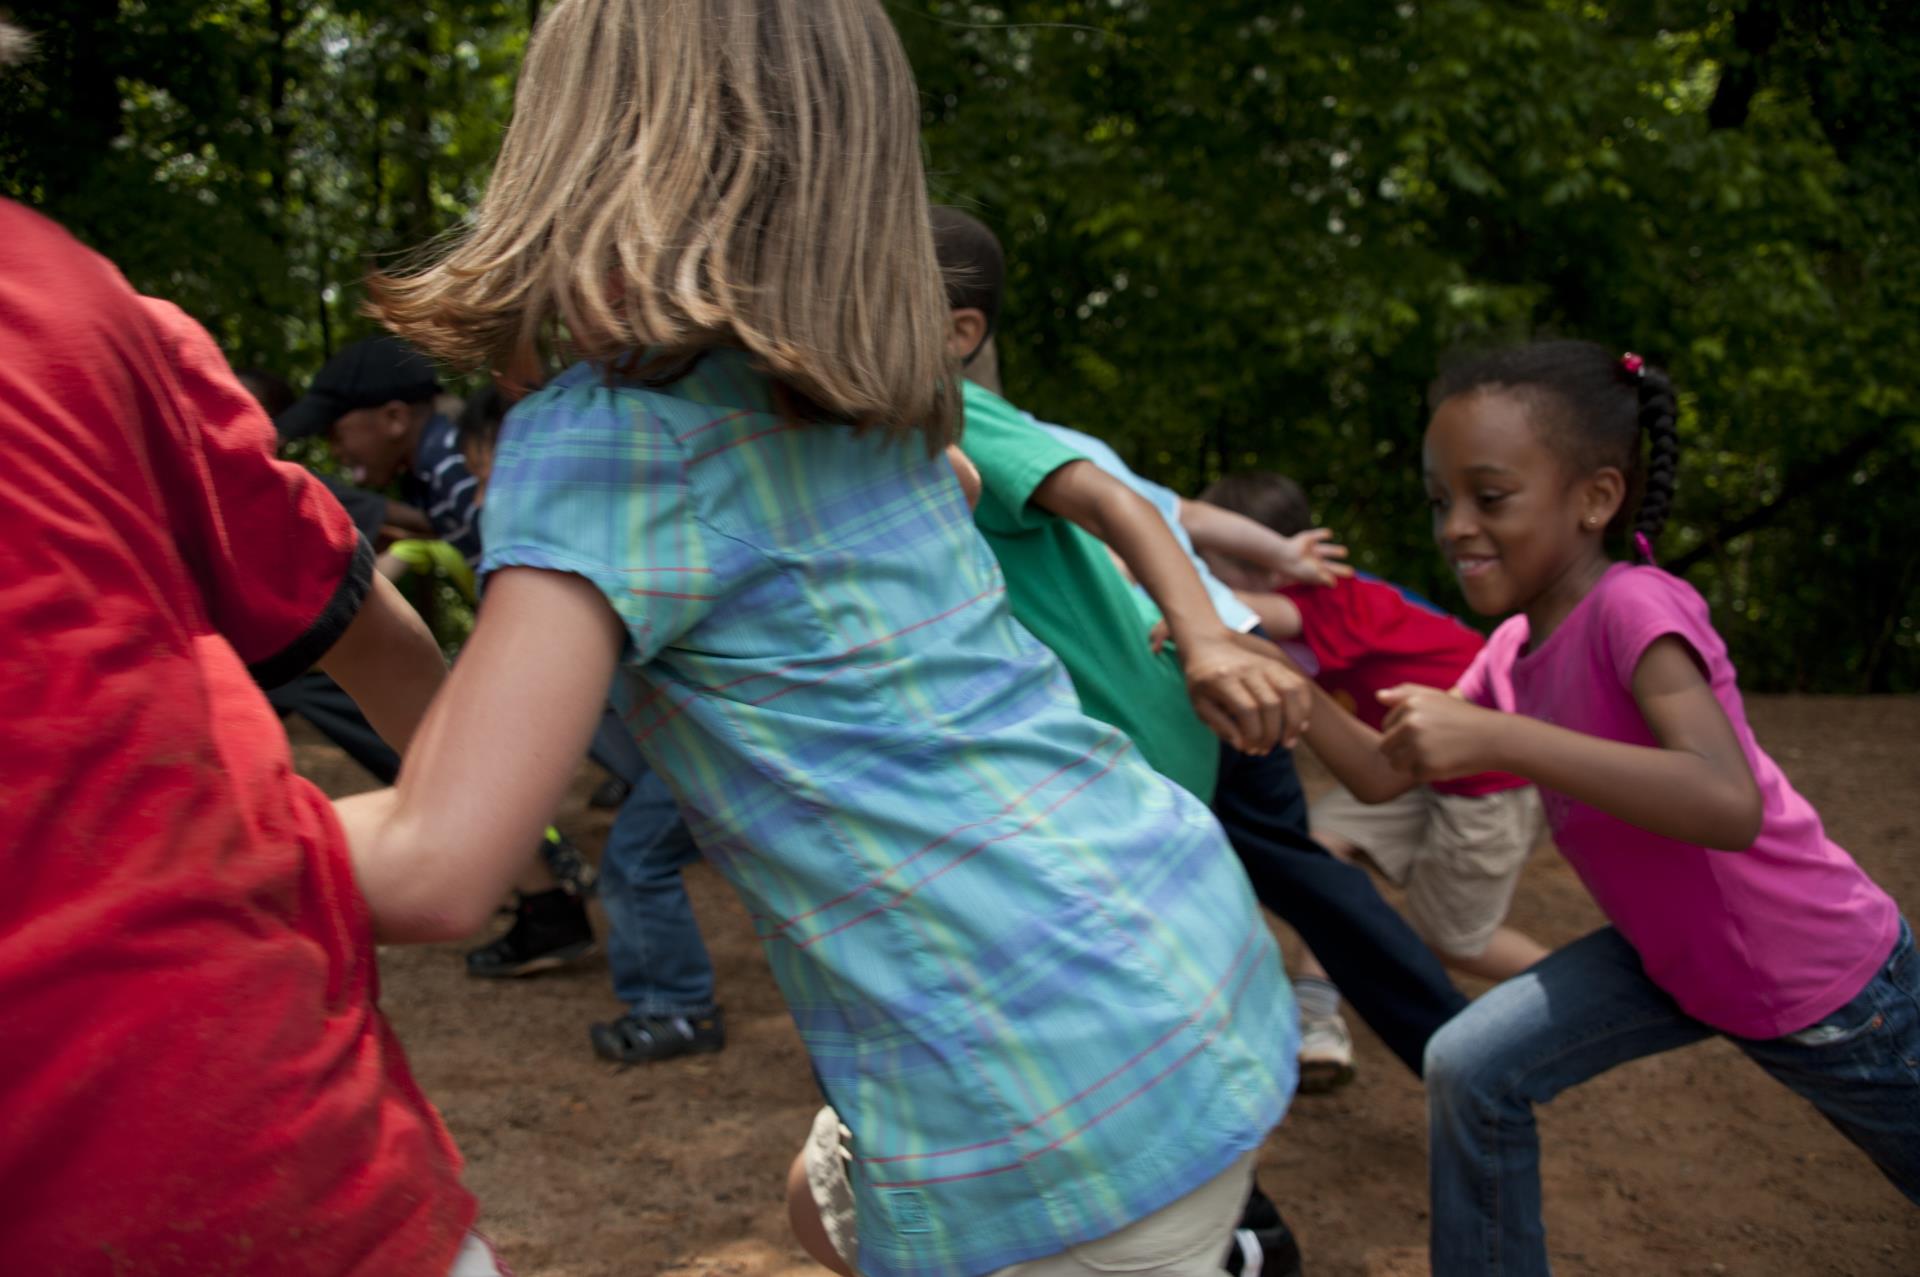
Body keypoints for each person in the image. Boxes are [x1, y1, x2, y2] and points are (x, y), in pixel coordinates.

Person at [335, 3, 1299, 1274]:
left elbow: (442, 862)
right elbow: (944, 500)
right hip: (1174, 953)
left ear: (576, 149)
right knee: (819, 1193)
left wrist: (135, 842)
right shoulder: (874, 400)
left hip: (1032, 1088)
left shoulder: (610, 441)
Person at [1300, 339, 1920, 1274]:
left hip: (1823, 980)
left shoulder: (1637, 608)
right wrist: (1274, 679)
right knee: (1471, 1066)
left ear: (1595, 498)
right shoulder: (1512, 646)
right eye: (1440, 500)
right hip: (1674, 956)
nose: (1455, 526)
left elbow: (1725, 801)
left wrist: (1503, 740)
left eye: (1489, 496)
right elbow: (1386, 775)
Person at [0, 178, 500, 1271]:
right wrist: (471, 817)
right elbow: (383, 642)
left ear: (399, 419)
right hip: (299, 1165)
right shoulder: (80, 298)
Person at [932, 208, 1470, 1095]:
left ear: (962, 335)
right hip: (1186, 661)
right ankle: (1412, 1044)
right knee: (1274, 873)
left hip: (1184, 669)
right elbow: (1165, 510)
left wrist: (1207, 629)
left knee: (1261, 881)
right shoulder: (972, 428)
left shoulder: (958, 418)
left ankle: (1430, 1048)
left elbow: (1135, 510)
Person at [1198, 470, 1550, 1089]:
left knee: (1456, 942)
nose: (1202, 571)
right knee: (1322, 857)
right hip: (1414, 762)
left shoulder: (1325, 599)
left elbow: (1228, 610)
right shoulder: (1319, 597)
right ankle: (1317, 1017)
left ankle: (1577, 986)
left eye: (1214, 560)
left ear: (1274, 560)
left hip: (1484, 775)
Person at [459, 386, 725, 1061]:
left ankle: (680, 1006)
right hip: (686, 742)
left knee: (635, 862)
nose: (484, 501)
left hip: (709, 740)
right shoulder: (571, 543)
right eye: (478, 481)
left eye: (495, 480)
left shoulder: (588, 544)